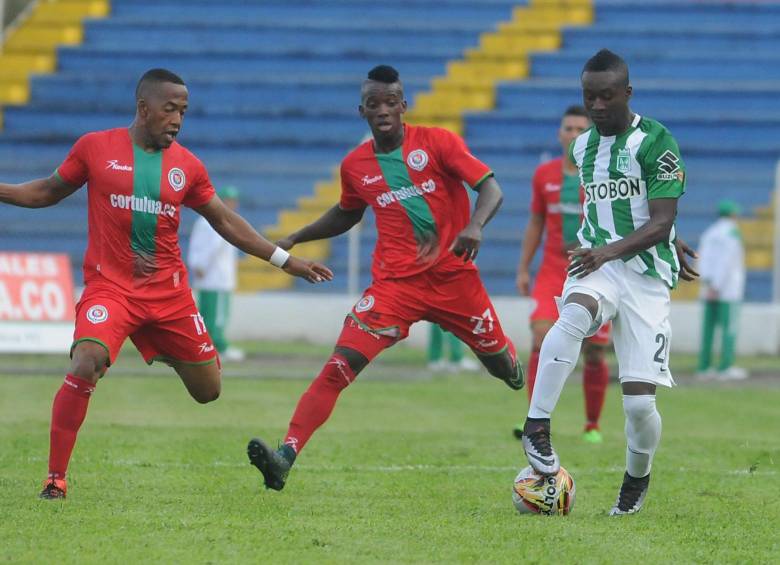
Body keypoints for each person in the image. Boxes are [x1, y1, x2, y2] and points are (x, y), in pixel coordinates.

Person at [0, 68, 333, 500]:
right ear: (144, 108)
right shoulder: (95, 148)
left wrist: (283, 260)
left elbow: (225, 220)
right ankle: (55, 479)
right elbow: (45, 191)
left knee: (208, 391)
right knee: (86, 360)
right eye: (170, 109)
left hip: (168, 296)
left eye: (184, 111)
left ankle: (161, 347)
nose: (177, 119)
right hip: (111, 289)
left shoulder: (188, 166)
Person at [246, 64, 524, 491]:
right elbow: (347, 211)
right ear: (363, 111)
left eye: (390, 102)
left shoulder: (438, 143)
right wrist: (301, 234)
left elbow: (491, 189)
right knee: (339, 366)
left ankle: (508, 363)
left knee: (500, 367)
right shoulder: (356, 165)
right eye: (374, 104)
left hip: (454, 280)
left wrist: (475, 226)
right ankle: (285, 456)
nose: (383, 110)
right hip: (394, 288)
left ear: (403, 106)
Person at [519, 49, 698, 515]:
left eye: (606, 96)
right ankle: (537, 427)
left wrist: (666, 237)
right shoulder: (582, 148)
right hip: (600, 264)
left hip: (647, 279)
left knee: (639, 406)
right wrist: (604, 253)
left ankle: (636, 477)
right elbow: (624, 206)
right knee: (573, 314)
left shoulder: (657, 141)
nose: (596, 106)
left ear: (627, 93)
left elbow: (659, 219)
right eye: (589, 96)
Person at [514, 105, 611, 444]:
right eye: (568, 128)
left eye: (580, 129)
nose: (573, 134)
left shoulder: (602, 175)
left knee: (595, 351)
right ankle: (536, 426)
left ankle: (592, 424)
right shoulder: (544, 175)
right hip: (552, 269)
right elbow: (536, 222)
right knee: (540, 339)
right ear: (559, 134)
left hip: (593, 270)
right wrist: (524, 266)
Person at [188, 185, 245, 362]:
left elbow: (196, 246)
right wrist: (201, 266)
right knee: (216, 315)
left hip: (209, 276)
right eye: (229, 200)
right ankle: (219, 347)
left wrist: (197, 265)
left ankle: (206, 347)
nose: (233, 204)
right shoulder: (218, 220)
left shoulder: (204, 221)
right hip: (216, 277)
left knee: (206, 315)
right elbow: (211, 247)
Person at [696, 199, 746, 380]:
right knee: (728, 328)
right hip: (727, 290)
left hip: (708, 288)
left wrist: (708, 284)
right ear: (732, 214)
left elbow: (701, 260)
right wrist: (717, 286)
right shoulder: (732, 232)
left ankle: (704, 366)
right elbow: (727, 262)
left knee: (707, 329)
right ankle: (725, 367)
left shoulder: (710, 232)